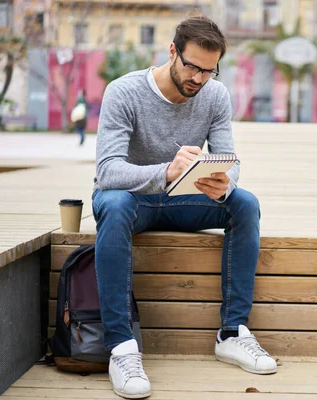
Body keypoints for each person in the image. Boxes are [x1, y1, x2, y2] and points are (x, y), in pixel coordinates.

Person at [93, 16, 276, 399]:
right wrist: (166, 171)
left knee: (244, 204)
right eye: (192, 66)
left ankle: (232, 333)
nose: (199, 79)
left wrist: (225, 183)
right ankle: (121, 347)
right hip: (134, 201)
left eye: (209, 70)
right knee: (111, 204)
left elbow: (230, 159)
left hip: (185, 200)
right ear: (172, 51)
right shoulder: (123, 92)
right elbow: (108, 171)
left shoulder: (214, 94)